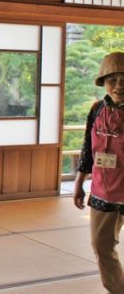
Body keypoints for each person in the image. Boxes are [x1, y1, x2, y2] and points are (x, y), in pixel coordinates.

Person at [74, 51, 124, 292]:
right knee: (101, 245)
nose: (119, 85)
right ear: (103, 82)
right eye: (113, 79)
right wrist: (79, 184)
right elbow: (88, 149)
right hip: (104, 191)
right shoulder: (96, 109)